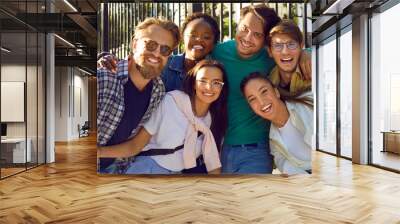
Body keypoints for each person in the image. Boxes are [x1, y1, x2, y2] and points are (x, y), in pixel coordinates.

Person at [98, 60, 228, 174]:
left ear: (222, 87)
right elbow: (135, 145)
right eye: (203, 81)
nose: (209, 87)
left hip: (176, 177)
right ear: (194, 83)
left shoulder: (213, 120)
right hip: (147, 169)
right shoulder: (171, 102)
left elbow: (212, 161)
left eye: (216, 82)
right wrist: (98, 152)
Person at [97, 18, 180, 173]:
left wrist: (100, 153)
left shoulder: (158, 91)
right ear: (134, 44)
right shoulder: (104, 79)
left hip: (118, 168)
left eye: (165, 50)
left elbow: (135, 144)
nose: (156, 54)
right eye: (151, 45)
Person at [240, 72, 312, 175]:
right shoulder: (274, 144)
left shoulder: (309, 102)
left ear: (276, 92)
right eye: (252, 99)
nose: (261, 102)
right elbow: (291, 171)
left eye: (264, 91)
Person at [267, 20, 311, 98]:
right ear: (270, 51)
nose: (285, 52)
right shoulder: (269, 83)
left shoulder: (313, 69)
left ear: (301, 46)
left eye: (291, 44)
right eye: (278, 46)